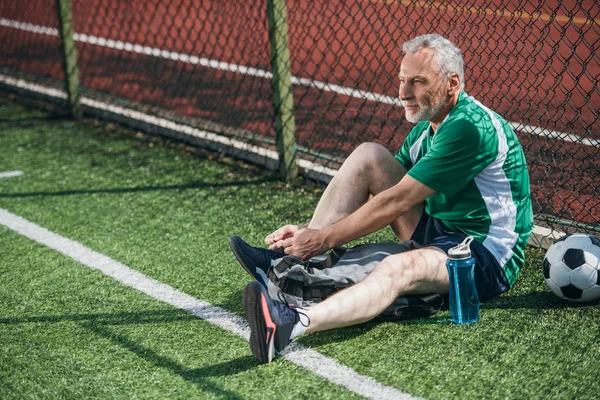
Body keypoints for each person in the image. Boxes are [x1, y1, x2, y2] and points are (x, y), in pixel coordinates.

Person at [231, 33, 533, 363]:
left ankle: (291, 324)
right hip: (439, 228)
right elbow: (384, 186)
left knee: (398, 267)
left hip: (483, 256)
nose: (404, 94)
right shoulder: (427, 126)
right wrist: (309, 231)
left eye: (418, 82)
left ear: (452, 82)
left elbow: (395, 202)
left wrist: (325, 239)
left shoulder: (470, 127)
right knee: (370, 156)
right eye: (403, 80)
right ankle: (292, 259)